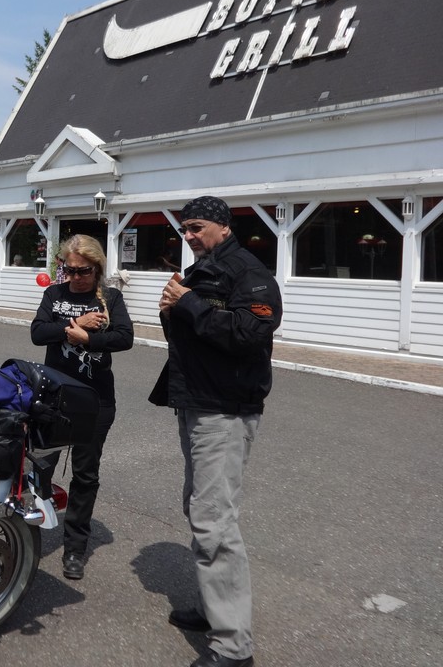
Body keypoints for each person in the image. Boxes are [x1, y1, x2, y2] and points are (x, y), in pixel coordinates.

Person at [149, 196, 282, 667]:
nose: (188, 235)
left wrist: (186, 303)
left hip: (225, 409)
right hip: (196, 402)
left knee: (214, 522)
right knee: (200, 507)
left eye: (197, 227)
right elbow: (189, 337)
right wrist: (172, 310)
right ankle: (213, 607)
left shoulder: (248, 272)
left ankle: (233, 647)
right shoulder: (201, 270)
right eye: (184, 228)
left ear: (224, 227)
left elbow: (250, 333)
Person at [30, 234, 134, 581]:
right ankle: (28, 535)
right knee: (39, 468)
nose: (75, 277)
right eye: (69, 270)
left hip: (94, 401)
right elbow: (38, 333)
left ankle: (75, 547)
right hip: (53, 398)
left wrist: (89, 338)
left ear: (97, 268)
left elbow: (125, 338)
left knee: (85, 474)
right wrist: (72, 327)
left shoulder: (111, 298)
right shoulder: (54, 295)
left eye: (83, 271)